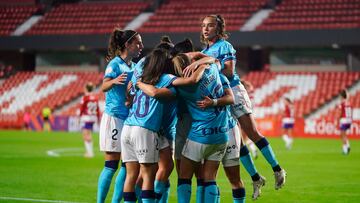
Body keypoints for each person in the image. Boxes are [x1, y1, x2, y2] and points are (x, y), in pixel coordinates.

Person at [200, 14, 286, 193]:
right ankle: (256, 178)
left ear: (218, 28)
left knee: (252, 132)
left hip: (234, 92)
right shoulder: (204, 52)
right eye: (203, 26)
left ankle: (277, 169)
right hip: (220, 98)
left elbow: (229, 72)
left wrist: (211, 68)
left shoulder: (224, 46)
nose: (205, 29)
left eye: (210, 26)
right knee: (236, 143)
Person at [97, 28, 143, 203]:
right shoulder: (114, 64)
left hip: (128, 118)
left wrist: (130, 98)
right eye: (137, 42)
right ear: (127, 44)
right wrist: (114, 81)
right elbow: (103, 86)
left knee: (128, 164)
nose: (141, 46)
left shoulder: (134, 66)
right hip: (114, 118)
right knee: (111, 165)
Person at [79, 82, 100, 158]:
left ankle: (90, 153)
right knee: (89, 134)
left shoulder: (85, 97)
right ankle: (89, 152)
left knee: (85, 135)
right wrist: (98, 118)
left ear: (86, 88)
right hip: (93, 117)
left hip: (86, 117)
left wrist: (79, 117)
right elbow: (98, 109)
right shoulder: (95, 98)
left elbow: (81, 108)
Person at [337, 89, 352, 155]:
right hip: (349, 120)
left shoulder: (342, 103)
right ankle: (348, 145)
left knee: (342, 135)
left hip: (344, 120)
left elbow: (340, 112)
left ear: (342, 96)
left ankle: (345, 150)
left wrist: (338, 119)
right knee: (344, 134)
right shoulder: (348, 103)